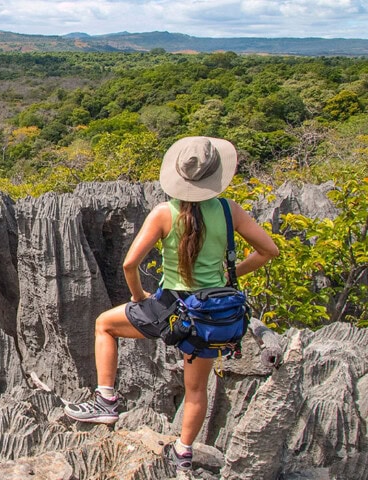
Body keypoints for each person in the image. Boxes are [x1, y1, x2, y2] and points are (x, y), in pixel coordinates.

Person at [63, 136, 279, 472]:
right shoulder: (229, 210)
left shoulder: (165, 213)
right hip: (209, 315)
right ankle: (183, 452)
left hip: (169, 308)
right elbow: (268, 251)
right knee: (196, 390)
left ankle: (105, 400)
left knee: (104, 325)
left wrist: (139, 297)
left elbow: (130, 264)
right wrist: (230, 274)